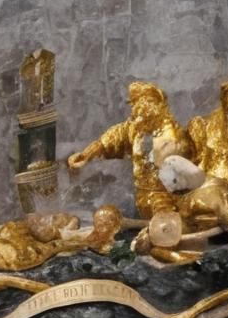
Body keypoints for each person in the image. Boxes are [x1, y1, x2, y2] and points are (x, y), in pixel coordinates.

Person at [67, 81, 190, 217]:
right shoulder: (137, 128)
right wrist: (86, 155)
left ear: (153, 109)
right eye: (134, 106)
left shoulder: (172, 134)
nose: (134, 114)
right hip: (142, 197)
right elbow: (114, 136)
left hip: (167, 201)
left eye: (138, 107)